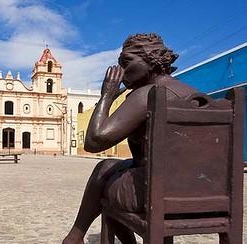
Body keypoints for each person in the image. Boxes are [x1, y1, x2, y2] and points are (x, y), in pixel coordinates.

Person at [63, 33, 198, 244]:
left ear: (152, 59)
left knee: (105, 185)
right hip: (201, 193)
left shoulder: (147, 94)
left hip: (158, 193)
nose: (121, 72)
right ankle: (75, 237)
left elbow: (94, 141)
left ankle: (75, 236)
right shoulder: (195, 94)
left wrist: (106, 95)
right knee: (108, 166)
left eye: (126, 63)